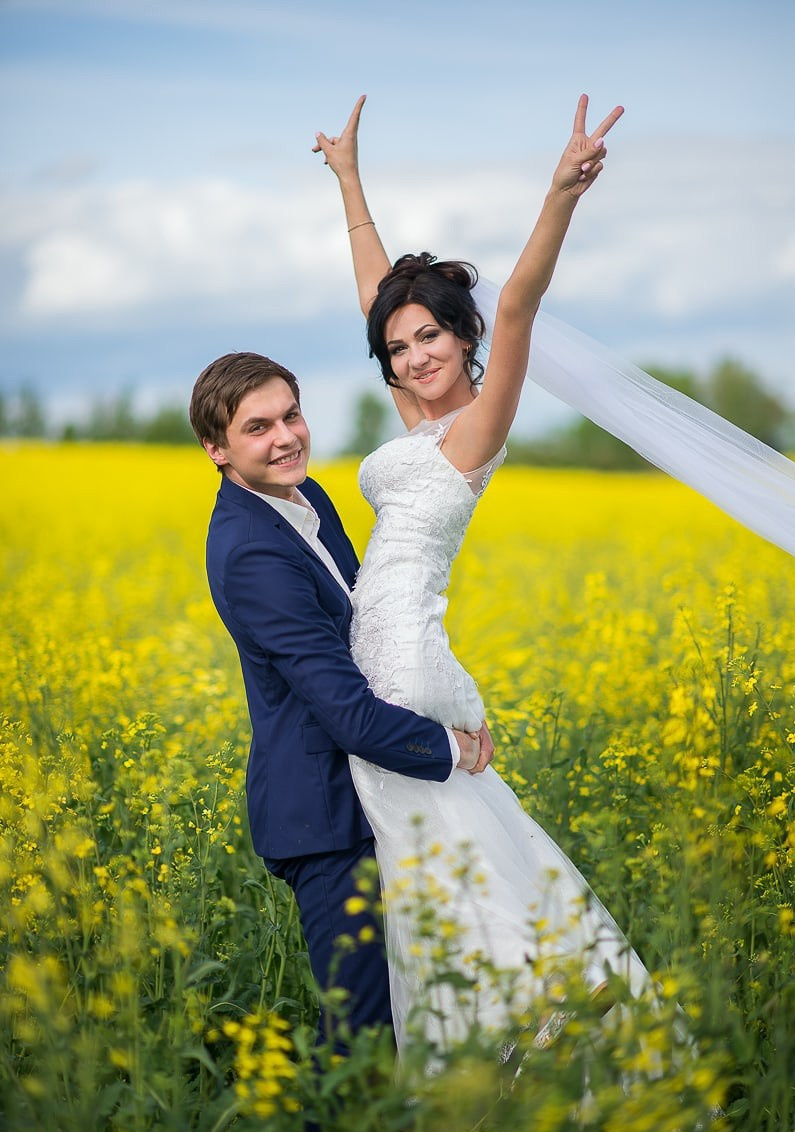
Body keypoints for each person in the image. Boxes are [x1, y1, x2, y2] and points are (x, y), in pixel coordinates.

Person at [313, 95, 656, 1054]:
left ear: (464, 339)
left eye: (433, 337)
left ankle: (527, 1030)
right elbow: (379, 297)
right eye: (400, 347)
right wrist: (347, 181)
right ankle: (526, 1021)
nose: (415, 355)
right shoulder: (419, 421)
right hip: (400, 661)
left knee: (437, 870)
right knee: (444, 863)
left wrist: (559, 197)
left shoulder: (473, 430)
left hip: (398, 667)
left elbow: (516, 304)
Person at [188, 351, 494, 1043]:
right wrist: (449, 747)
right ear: (216, 449)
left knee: (406, 1007)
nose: (286, 437)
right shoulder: (249, 552)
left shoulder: (307, 498)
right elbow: (345, 709)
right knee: (359, 1027)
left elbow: (369, 634)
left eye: (290, 415)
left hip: (373, 791)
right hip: (322, 817)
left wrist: (444, 697)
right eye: (257, 427)